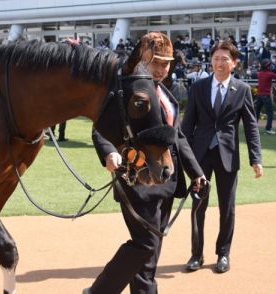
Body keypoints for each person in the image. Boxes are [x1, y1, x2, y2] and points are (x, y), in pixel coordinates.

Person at [84, 32, 206, 294]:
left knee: (151, 256)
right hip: (137, 179)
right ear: (142, 61)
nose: (163, 69)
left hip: (167, 181)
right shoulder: (127, 94)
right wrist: (108, 153)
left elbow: (179, 137)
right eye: (157, 63)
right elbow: (99, 129)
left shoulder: (167, 96)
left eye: (167, 63)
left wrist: (196, 173)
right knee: (147, 245)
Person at [182, 40, 263, 273]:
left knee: (227, 207)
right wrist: (182, 157)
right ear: (211, 61)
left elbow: (250, 127)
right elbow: (187, 126)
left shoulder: (243, 90)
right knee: (199, 205)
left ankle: (223, 254)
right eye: (216, 58)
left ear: (234, 63)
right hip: (200, 156)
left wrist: (255, 158)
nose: (219, 63)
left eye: (225, 59)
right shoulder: (198, 88)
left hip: (228, 156)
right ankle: (196, 254)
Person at [255, 58, 276, 135]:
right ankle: (268, 129)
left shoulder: (259, 73)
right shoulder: (270, 74)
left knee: (256, 112)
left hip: (259, 95)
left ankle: (253, 128)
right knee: (270, 113)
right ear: (268, 66)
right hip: (266, 95)